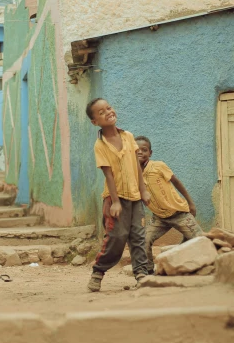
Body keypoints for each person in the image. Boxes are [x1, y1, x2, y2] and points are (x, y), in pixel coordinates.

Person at [86, 98, 151, 292]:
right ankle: (98, 272)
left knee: (139, 236)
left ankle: (141, 274)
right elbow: (108, 174)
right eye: (101, 112)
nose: (107, 112)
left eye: (109, 108)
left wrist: (143, 190)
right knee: (116, 237)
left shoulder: (129, 137)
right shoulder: (100, 145)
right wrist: (115, 202)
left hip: (135, 197)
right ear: (95, 122)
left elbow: (137, 167)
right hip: (115, 199)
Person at [135, 135, 203, 274]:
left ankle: (200, 265)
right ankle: (149, 272)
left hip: (179, 213)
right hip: (159, 217)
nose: (140, 152)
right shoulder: (132, 174)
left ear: (150, 153)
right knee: (143, 240)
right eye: (137, 150)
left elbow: (176, 182)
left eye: (144, 149)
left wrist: (191, 203)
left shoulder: (158, 166)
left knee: (200, 241)